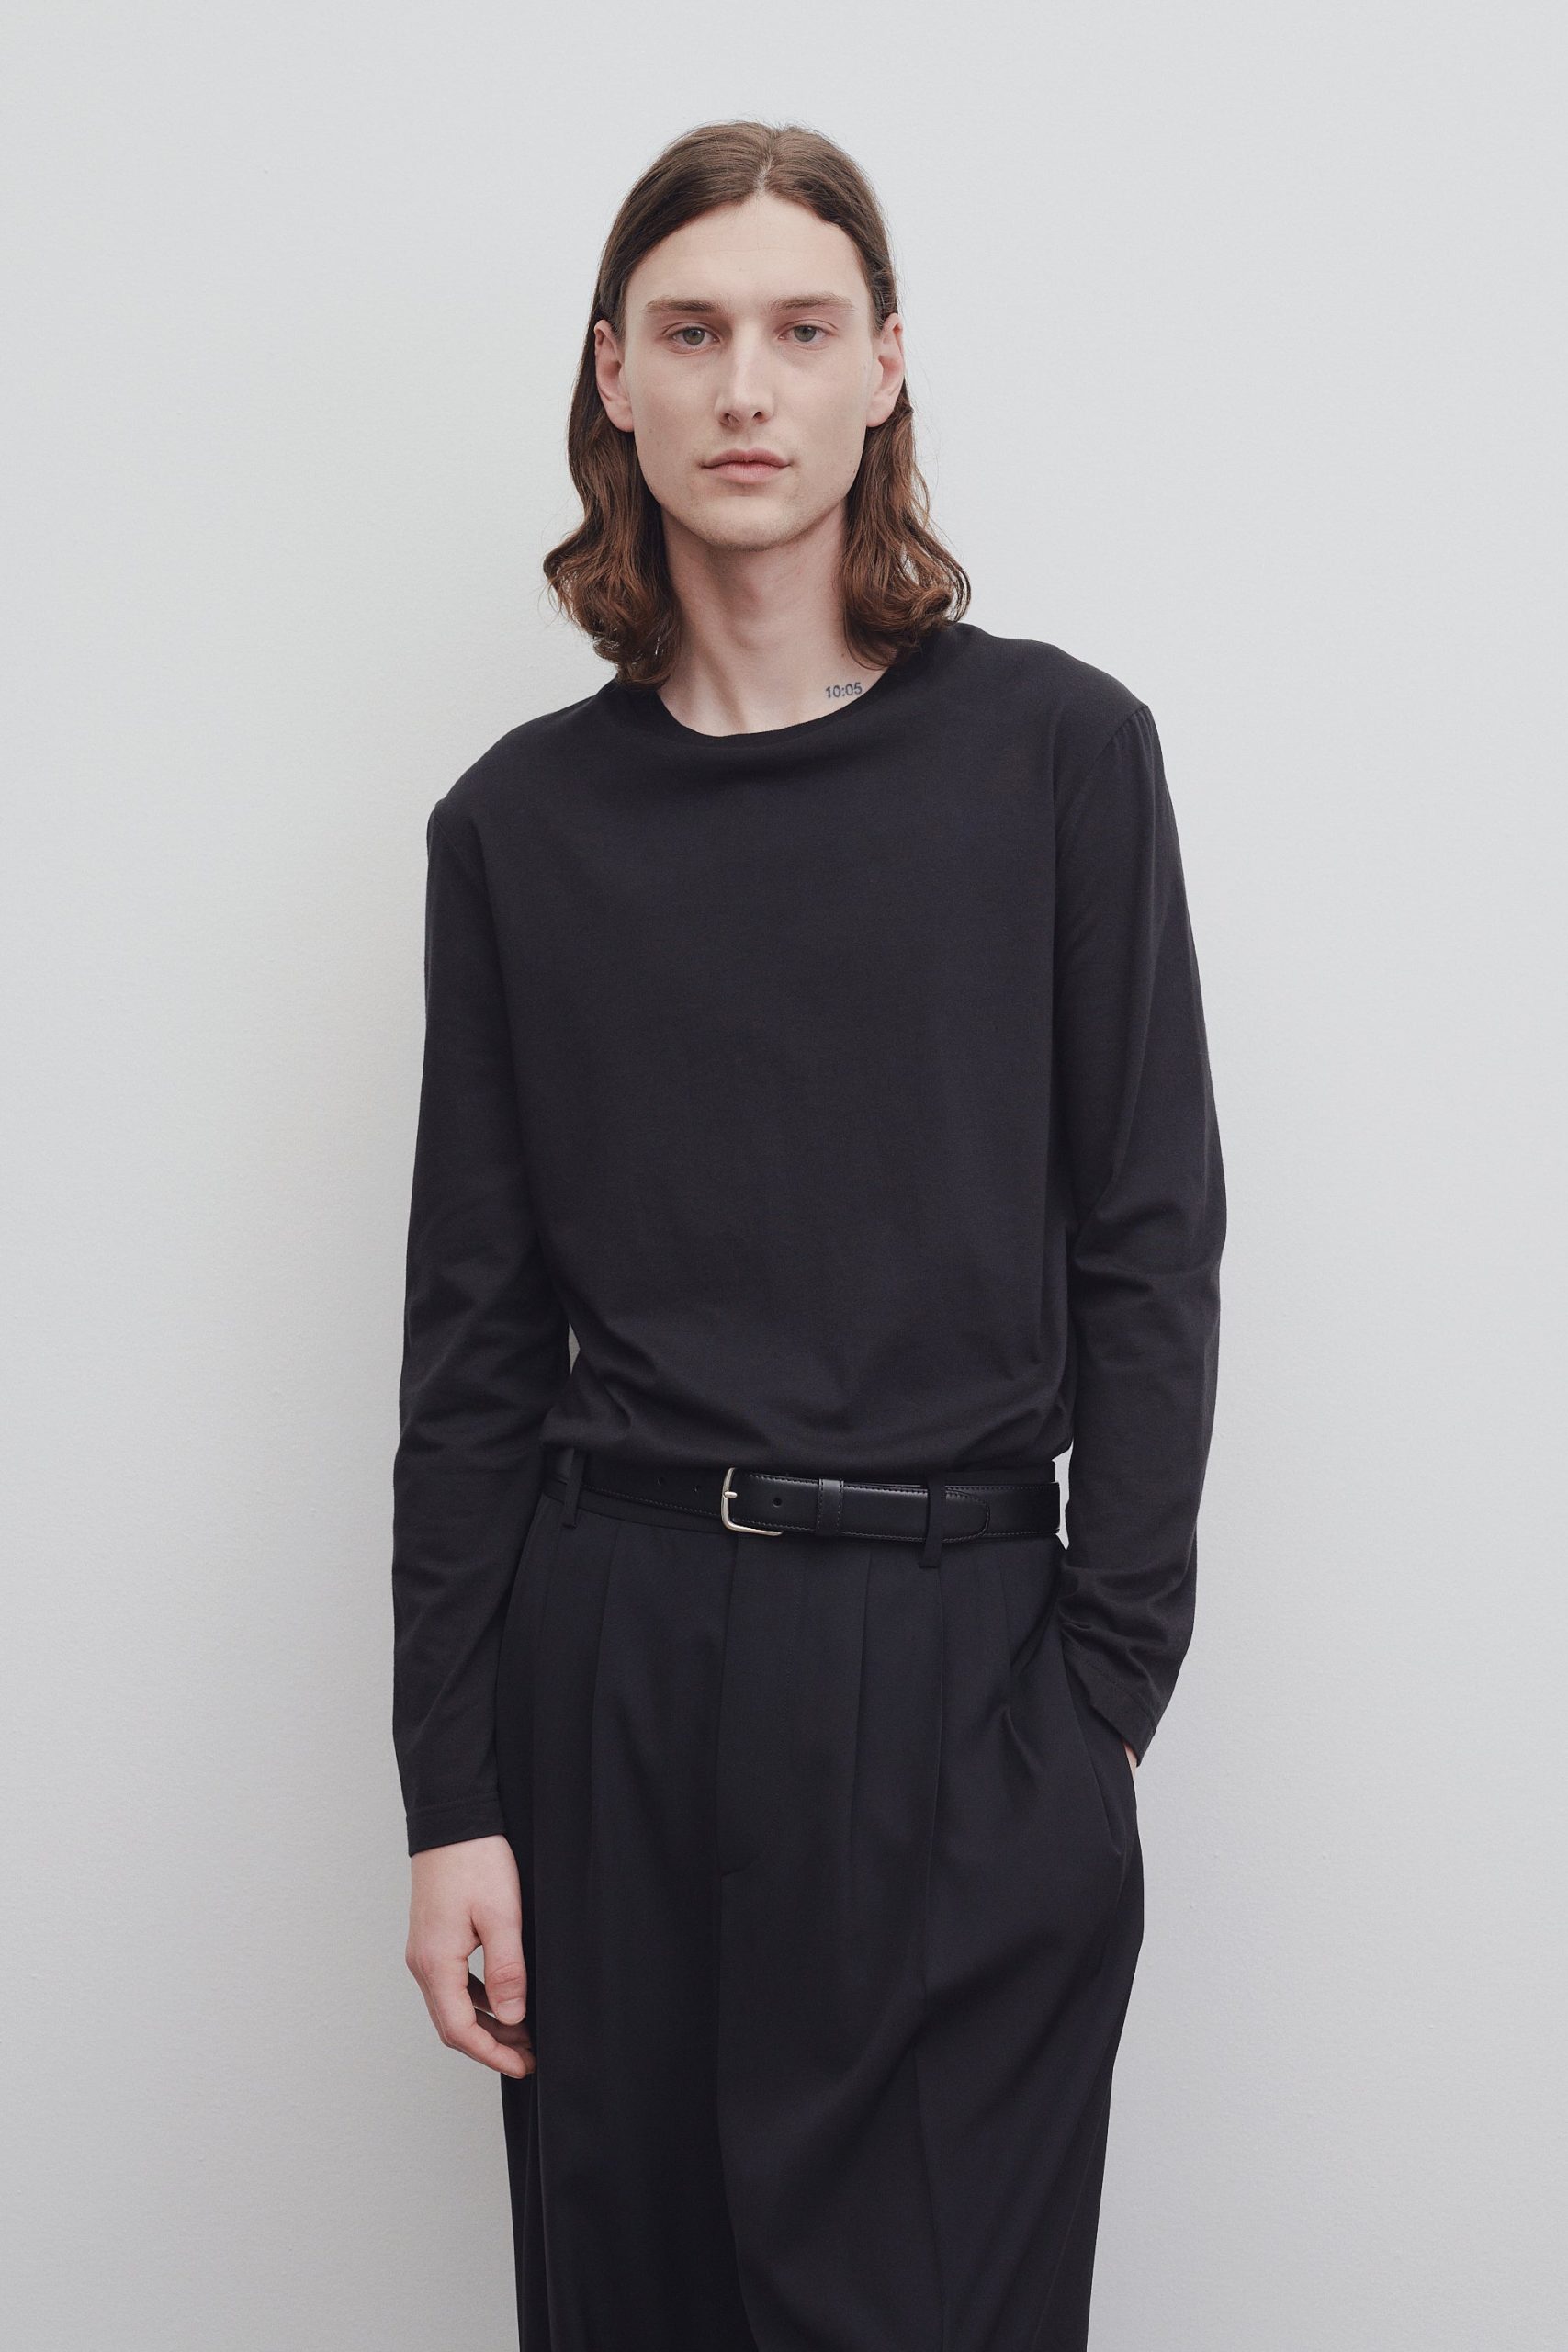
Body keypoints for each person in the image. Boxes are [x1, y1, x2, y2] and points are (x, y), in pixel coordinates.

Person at [391, 119, 1225, 2352]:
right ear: (614, 377)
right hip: (617, 1670)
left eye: (796, 328)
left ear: (882, 368)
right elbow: (473, 1342)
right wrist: (452, 1795)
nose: (744, 387)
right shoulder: (517, 827)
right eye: (689, 333)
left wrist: (1100, 1699)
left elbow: (1149, 1238)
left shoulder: (1056, 759)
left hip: (962, 1666)